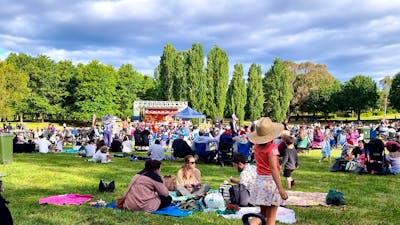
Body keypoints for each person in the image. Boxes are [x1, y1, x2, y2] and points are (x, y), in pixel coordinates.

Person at [248, 117, 288, 225]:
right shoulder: (272, 148)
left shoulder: (256, 147)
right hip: (271, 183)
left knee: (262, 214)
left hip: (260, 181)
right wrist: (280, 189)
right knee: (271, 216)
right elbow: (273, 168)